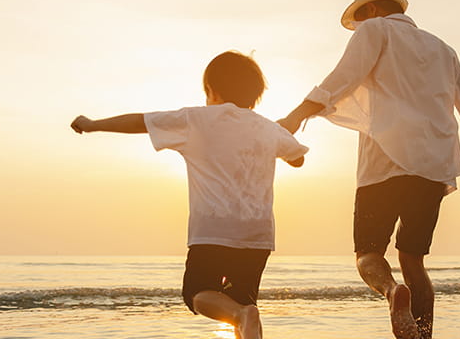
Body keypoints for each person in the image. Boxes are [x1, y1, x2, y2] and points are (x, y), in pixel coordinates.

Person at [275, 0, 460, 339]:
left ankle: (393, 292)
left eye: (361, 17)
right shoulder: (442, 48)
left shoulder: (375, 31)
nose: (360, 25)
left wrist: (294, 117)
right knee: (413, 260)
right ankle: (422, 335)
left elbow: (341, 79)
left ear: (373, 11)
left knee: (368, 254)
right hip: (432, 168)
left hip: (383, 163)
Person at [70, 51, 308, 339]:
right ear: (255, 95)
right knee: (244, 304)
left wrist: (93, 124)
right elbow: (298, 159)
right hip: (257, 235)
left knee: (197, 292)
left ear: (212, 91)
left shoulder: (196, 119)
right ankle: (243, 314)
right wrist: (277, 141)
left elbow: (140, 122)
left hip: (214, 230)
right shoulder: (267, 127)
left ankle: (240, 314)